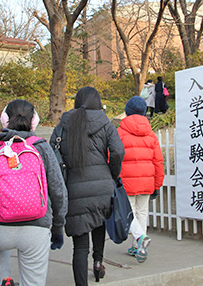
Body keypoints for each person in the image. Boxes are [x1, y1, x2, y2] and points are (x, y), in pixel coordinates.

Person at [0, 99, 68, 286]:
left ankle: (5, 277)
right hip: (35, 229)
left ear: (4, 119)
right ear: (34, 121)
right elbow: (58, 191)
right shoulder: (42, 147)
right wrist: (58, 227)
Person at [49, 87, 125, 285]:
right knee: (98, 223)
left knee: (80, 246)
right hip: (102, 188)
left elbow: (52, 154)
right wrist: (112, 173)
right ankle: (98, 262)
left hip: (74, 190)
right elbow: (117, 151)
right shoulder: (105, 123)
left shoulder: (63, 125)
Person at [117, 97, 164, 263]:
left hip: (126, 182)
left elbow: (112, 157)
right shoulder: (151, 135)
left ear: (128, 111)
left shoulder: (119, 133)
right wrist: (157, 185)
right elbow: (158, 161)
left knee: (128, 214)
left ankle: (140, 238)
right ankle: (138, 247)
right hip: (146, 182)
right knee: (142, 213)